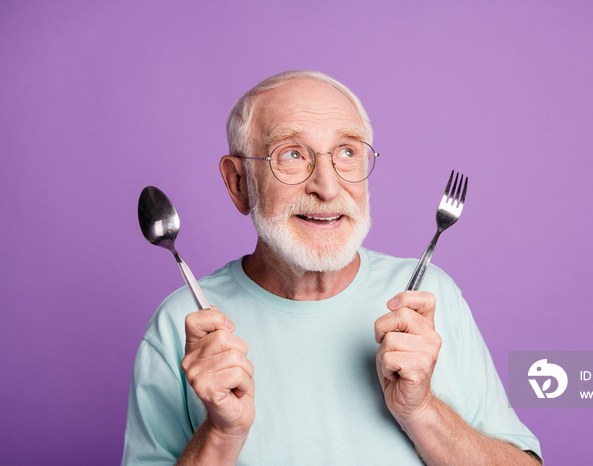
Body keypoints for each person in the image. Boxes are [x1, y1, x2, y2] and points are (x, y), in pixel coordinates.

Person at [122, 70, 542, 465]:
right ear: (238, 183)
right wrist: (220, 433)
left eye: (346, 152)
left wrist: (422, 410)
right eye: (291, 154)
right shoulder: (182, 324)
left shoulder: (429, 296)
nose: (327, 186)